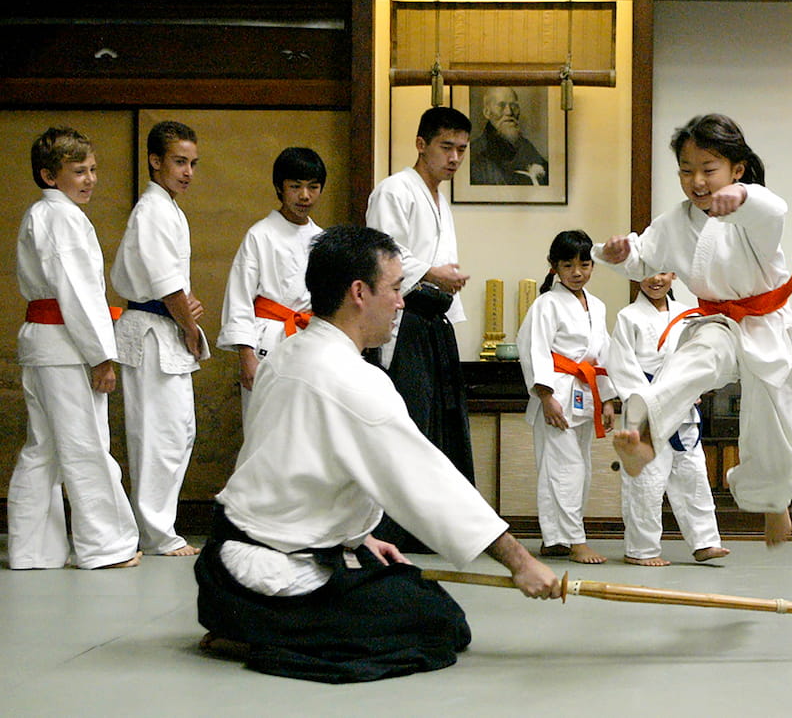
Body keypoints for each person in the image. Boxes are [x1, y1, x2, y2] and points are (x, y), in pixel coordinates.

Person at [194, 224, 561, 684]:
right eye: (395, 288)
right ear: (359, 292)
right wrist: (521, 563)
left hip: (218, 574)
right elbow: (429, 484)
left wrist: (358, 537)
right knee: (440, 624)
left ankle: (243, 624)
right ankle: (267, 634)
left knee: (404, 579)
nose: (402, 301)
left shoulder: (287, 354)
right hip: (269, 577)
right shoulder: (352, 381)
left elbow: (291, 471)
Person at [594, 114, 792, 548]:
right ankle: (644, 438)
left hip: (767, 324)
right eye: (685, 170)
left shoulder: (754, 211)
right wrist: (616, 252)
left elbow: (774, 210)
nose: (696, 181)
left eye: (708, 169)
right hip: (718, 320)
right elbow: (642, 258)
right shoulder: (675, 223)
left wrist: (743, 196)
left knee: (773, 427)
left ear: (737, 168)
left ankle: (774, 505)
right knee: (691, 362)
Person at [7, 127, 141, 570]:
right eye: (78, 171)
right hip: (67, 344)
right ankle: (104, 546)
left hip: (46, 343)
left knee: (42, 447)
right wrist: (102, 355)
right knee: (86, 443)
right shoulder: (61, 217)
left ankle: (32, 549)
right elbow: (79, 294)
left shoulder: (39, 215)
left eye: (93, 170)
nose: (90, 179)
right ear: (49, 175)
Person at [365, 106, 475, 552]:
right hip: (403, 318)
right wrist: (432, 272)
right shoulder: (394, 190)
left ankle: (434, 528)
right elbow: (382, 256)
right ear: (421, 144)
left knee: (440, 423)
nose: (453, 158)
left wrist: (442, 282)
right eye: (446, 147)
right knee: (408, 422)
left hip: (434, 320)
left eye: (462, 150)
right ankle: (394, 531)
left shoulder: (439, 198)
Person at [111, 120, 207, 557]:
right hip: (151, 330)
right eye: (179, 161)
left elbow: (174, 287)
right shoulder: (151, 211)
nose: (187, 171)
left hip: (163, 326)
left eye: (192, 163)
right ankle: (155, 533)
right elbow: (166, 285)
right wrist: (188, 322)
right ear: (155, 161)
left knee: (178, 432)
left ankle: (159, 527)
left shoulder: (169, 209)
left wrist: (186, 313)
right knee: (156, 435)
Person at [606, 272, 729, 566]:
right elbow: (621, 365)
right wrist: (653, 399)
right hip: (645, 407)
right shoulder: (628, 316)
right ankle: (642, 549)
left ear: (673, 274)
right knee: (647, 480)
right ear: (637, 274)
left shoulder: (690, 314)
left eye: (663, 272)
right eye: (648, 272)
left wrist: (692, 387)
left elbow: (702, 358)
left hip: (683, 407)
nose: (656, 279)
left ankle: (705, 542)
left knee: (694, 474)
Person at [517, 230, 616, 565]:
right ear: (553, 266)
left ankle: (555, 538)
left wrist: (609, 398)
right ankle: (575, 540)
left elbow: (604, 353)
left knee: (577, 468)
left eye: (584, 264)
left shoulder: (598, 306)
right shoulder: (546, 304)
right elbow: (533, 351)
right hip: (556, 393)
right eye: (568, 265)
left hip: (586, 392)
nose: (577, 272)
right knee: (565, 469)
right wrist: (545, 397)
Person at [217, 147, 326, 422]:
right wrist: (246, 356)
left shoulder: (323, 240)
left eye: (313, 187)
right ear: (280, 187)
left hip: (310, 339)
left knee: (307, 426)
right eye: (295, 186)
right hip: (268, 342)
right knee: (264, 425)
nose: (304, 195)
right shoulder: (259, 235)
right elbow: (239, 299)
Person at [470, 86, 549, 186]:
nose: (509, 112)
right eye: (501, 106)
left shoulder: (527, 148)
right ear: (487, 113)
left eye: (513, 106)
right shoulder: (474, 153)